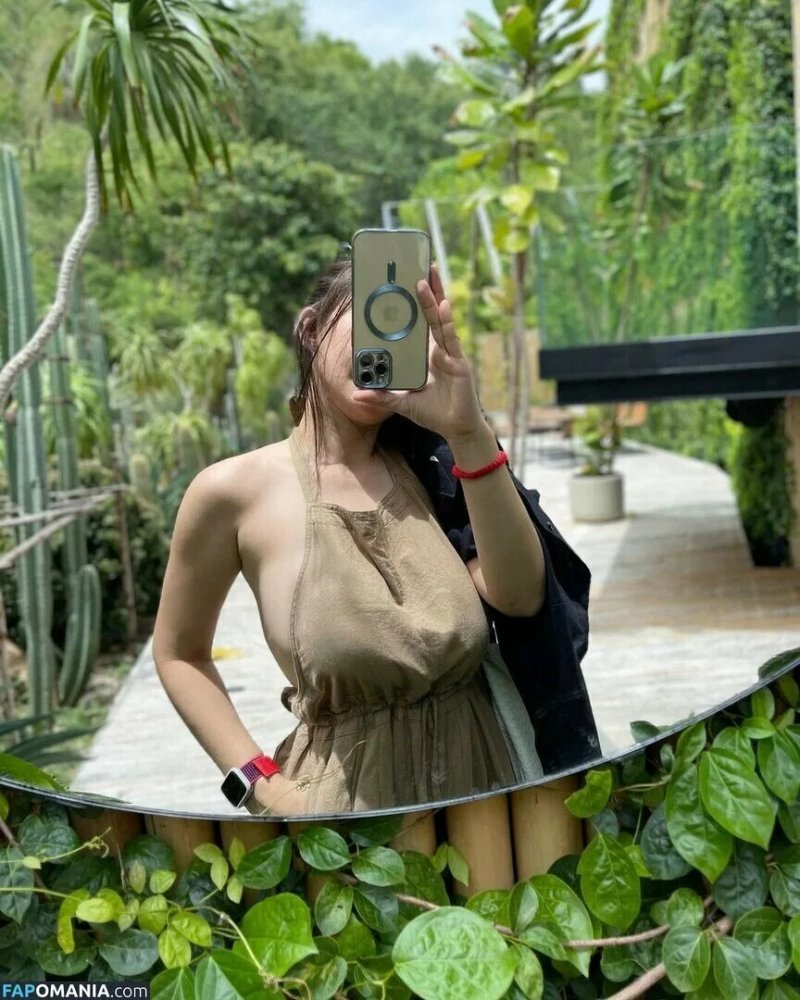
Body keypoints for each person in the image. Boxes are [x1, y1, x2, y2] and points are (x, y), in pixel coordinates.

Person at [152, 257, 598, 816]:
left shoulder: (436, 470)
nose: (384, 340)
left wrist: (467, 430)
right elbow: (179, 654)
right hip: (341, 827)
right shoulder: (233, 492)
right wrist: (263, 788)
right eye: (372, 316)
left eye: (405, 326)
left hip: (490, 804)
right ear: (311, 329)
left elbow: (521, 597)